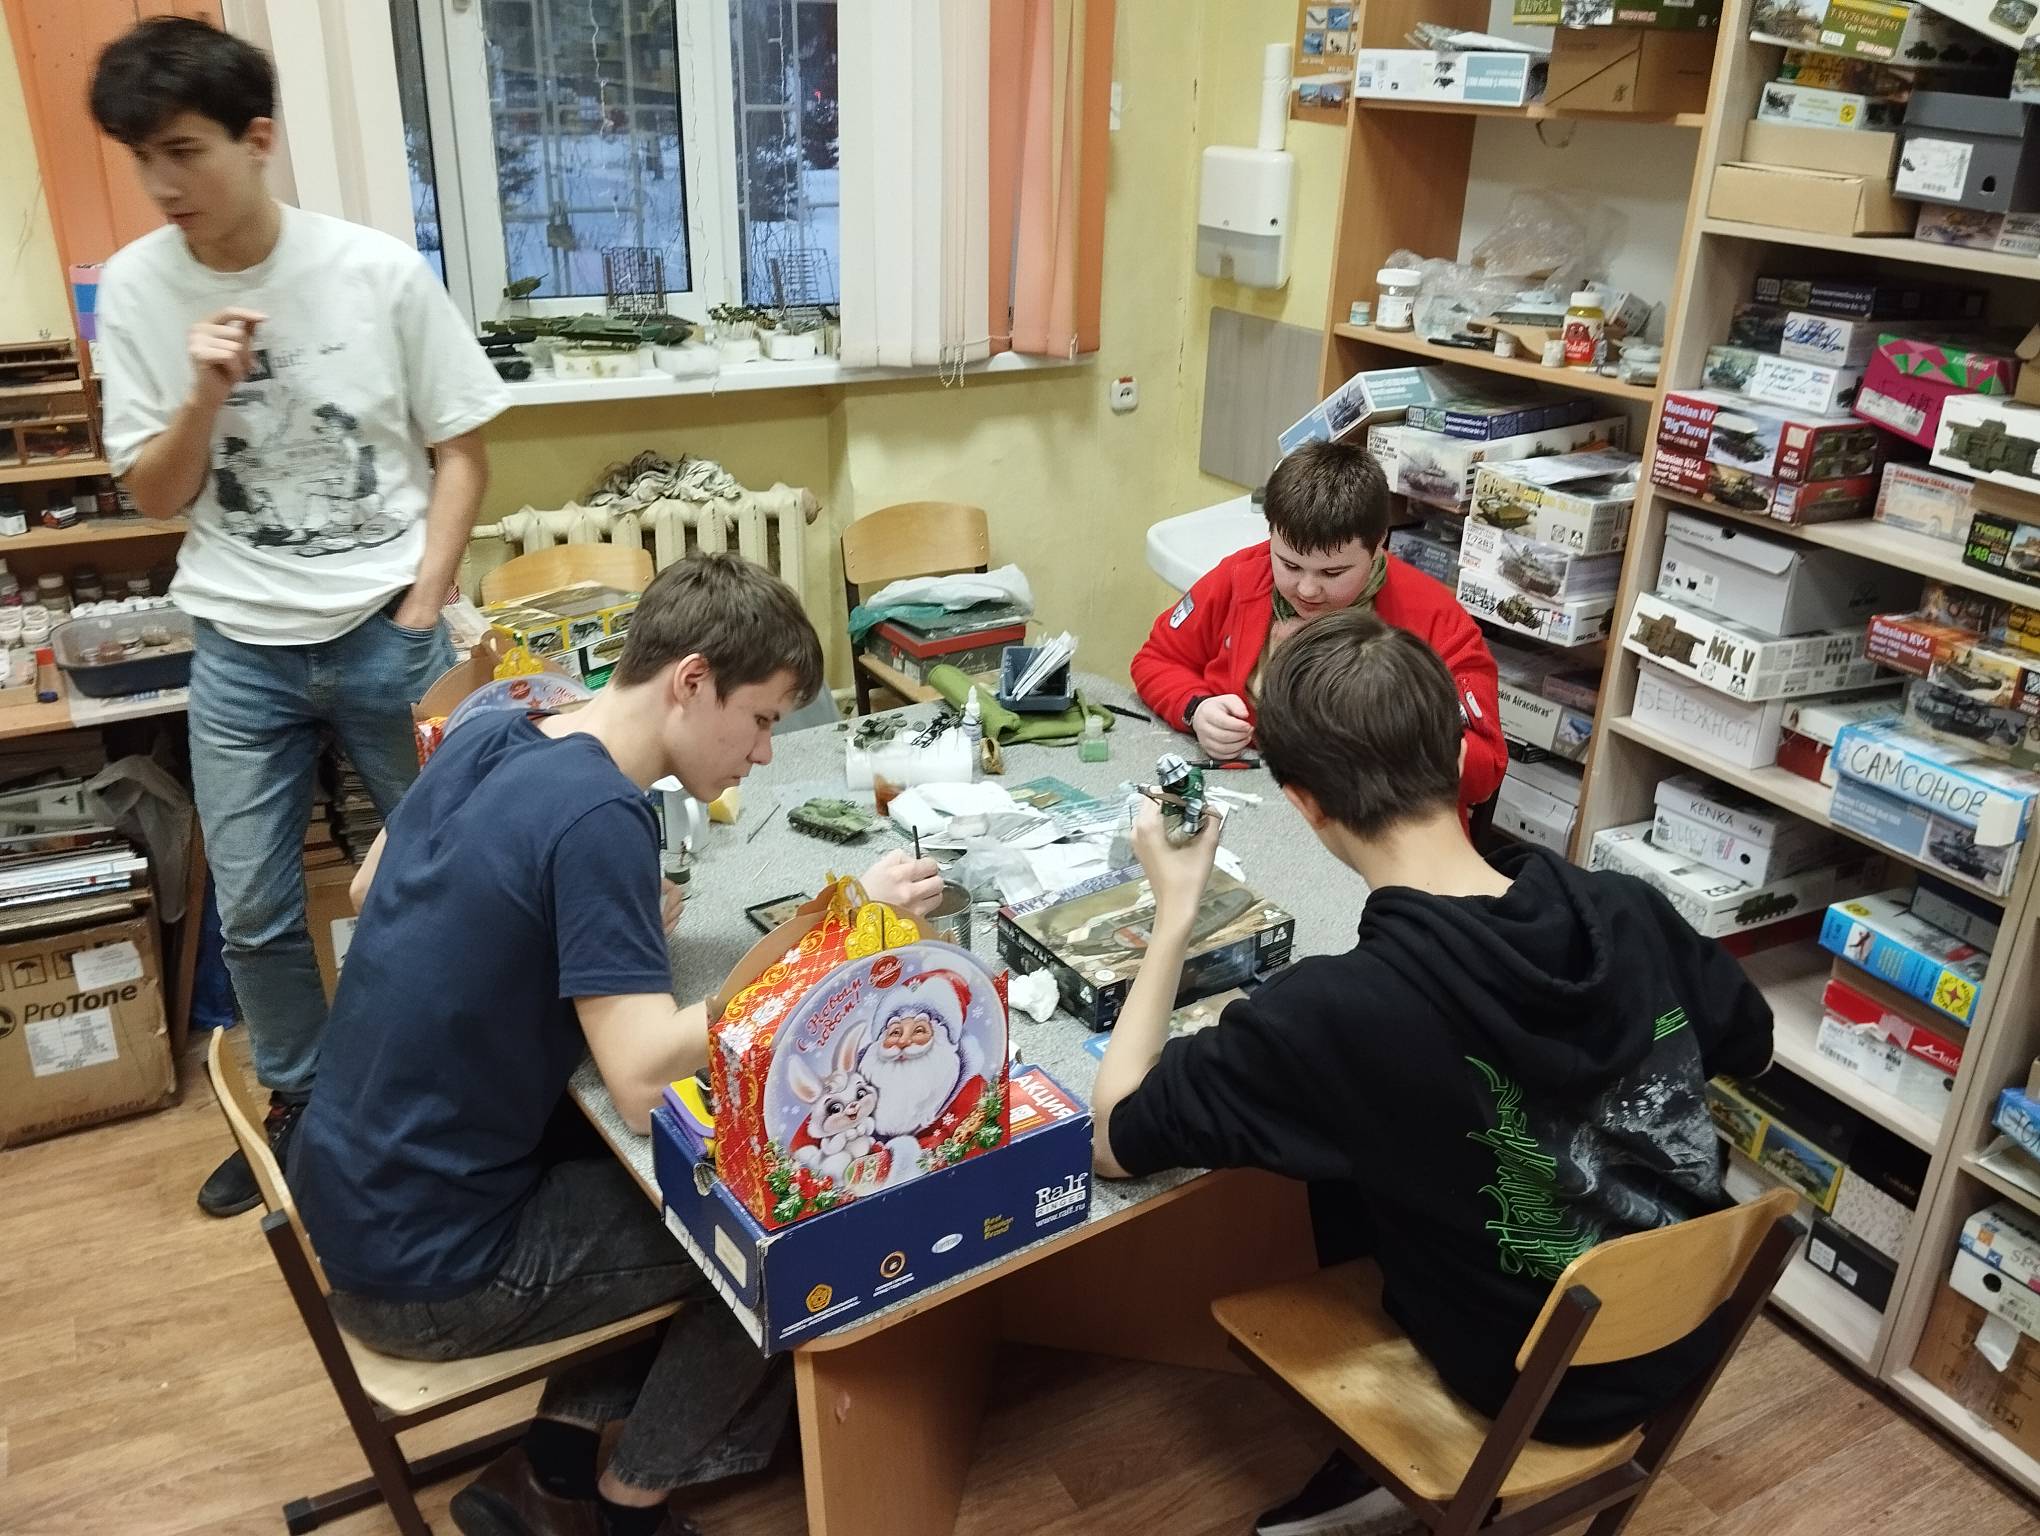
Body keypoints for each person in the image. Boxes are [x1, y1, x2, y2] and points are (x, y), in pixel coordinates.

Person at [291, 554, 945, 1536]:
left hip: (350, 1195)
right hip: (431, 1270)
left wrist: (574, 916)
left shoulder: (498, 729)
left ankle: (551, 1464)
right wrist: (830, 939)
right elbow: (640, 1085)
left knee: (651, 1183)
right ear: (691, 680)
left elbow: (367, 889)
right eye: (761, 719)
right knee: (785, 1221)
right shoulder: (603, 816)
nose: (765, 753)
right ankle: (632, 1501)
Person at [1093, 612, 1774, 1536]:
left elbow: (1115, 1138)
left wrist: (1176, 910)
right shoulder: (1623, 907)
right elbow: (1751, 1044)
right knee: (1372, 1128)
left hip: (1530, 1379)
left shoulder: (1336, 1013)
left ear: (1303, 803)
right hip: (1681, 1330)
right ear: (1458, 756)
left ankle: (1387, 1473)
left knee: (1352, 1123)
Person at [89, 17, 512, 1217]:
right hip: (238, 647)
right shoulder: (137, 289)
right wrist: (203, 389)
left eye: (184, 150)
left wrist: (424, 602)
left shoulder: (375, 272)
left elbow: (461, 451)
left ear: (258, 137)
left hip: (389, 629)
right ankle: (303, 1109)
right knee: (259, 908)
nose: (164, 183)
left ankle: (472, 1094)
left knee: (456, 880)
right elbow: (156, 493)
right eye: (142, 157)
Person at [1130, 440, 1506, 817]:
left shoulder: (1437, 620)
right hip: (1251, 795)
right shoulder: (1239, 577)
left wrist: (1393, 746)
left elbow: (1486, 765)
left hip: (1373, 817)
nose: (1307, 590)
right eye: (1290, 566)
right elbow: (1156, 660)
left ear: (1379, 543)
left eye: (1333, 573)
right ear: (1271, 533)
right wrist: (1196, 708)